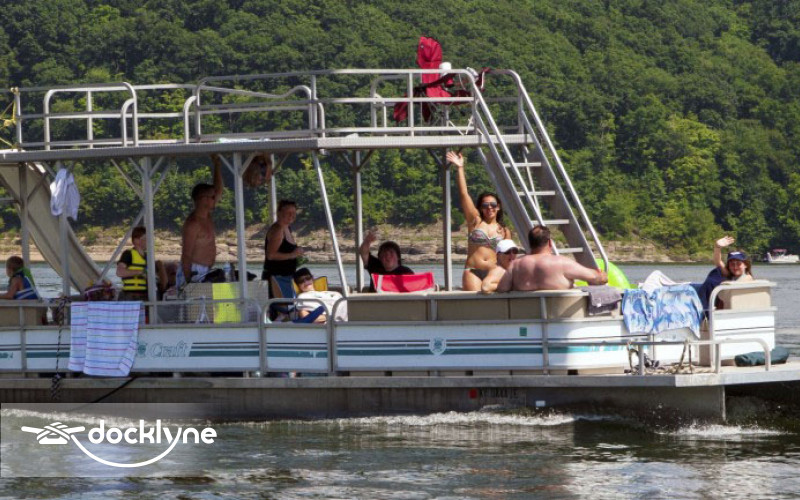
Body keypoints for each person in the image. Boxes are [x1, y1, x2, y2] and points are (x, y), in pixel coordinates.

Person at [448, 151, 512, 291]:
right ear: (481, 208)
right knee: (474, 301)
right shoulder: (475, 221)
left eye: (493, 205)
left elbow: (509, 257)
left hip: (494, 271)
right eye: (485, 205)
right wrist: (460, 168)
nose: (489, 208)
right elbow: (464, 194)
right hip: (473, 270)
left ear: (498, 207)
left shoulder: (504, 231)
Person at [497, 226, 607, 292]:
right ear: (550, 243)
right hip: (558, 317)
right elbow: (596, 278)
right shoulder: (562, 262)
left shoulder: (515, 264)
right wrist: (601, 275)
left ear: (530, 243)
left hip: (528, 318)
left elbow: (502, 288)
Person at [179, 154, 224, 287]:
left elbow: (218, 189)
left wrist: (217, 165)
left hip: (206, 270)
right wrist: (188, 281)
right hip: (194, 270)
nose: (216, 198)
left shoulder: (207, 216)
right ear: (203, 199)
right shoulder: (193, 224)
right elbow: (186, 255)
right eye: (212, 197)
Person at [696, 235, 754, 311]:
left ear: (745, 265)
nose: (735, 267)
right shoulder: (729, 275)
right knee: (713, 276)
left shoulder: (747, 279)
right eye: (732, 264)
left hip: (734, 312)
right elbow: (718, 262)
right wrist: (717, 247)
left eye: (738, 264)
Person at [262, 200, 305, 289]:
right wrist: (293, 255)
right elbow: (271, 255)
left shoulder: (287, 228)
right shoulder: (278, 230)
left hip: (286, 277)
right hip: (276, 279)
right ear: (279, 213)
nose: (292, 215)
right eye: (288, 212)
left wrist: (297, 254)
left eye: (294, 213)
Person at [116, 226, 160, 301]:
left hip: (146, 296)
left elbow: (156, 278)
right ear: (136, 240)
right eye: (146, 239)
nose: (149, 241)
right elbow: (120, 272)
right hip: (130, 296)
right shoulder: (128, 254)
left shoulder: (148, 257)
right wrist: (141, 272)